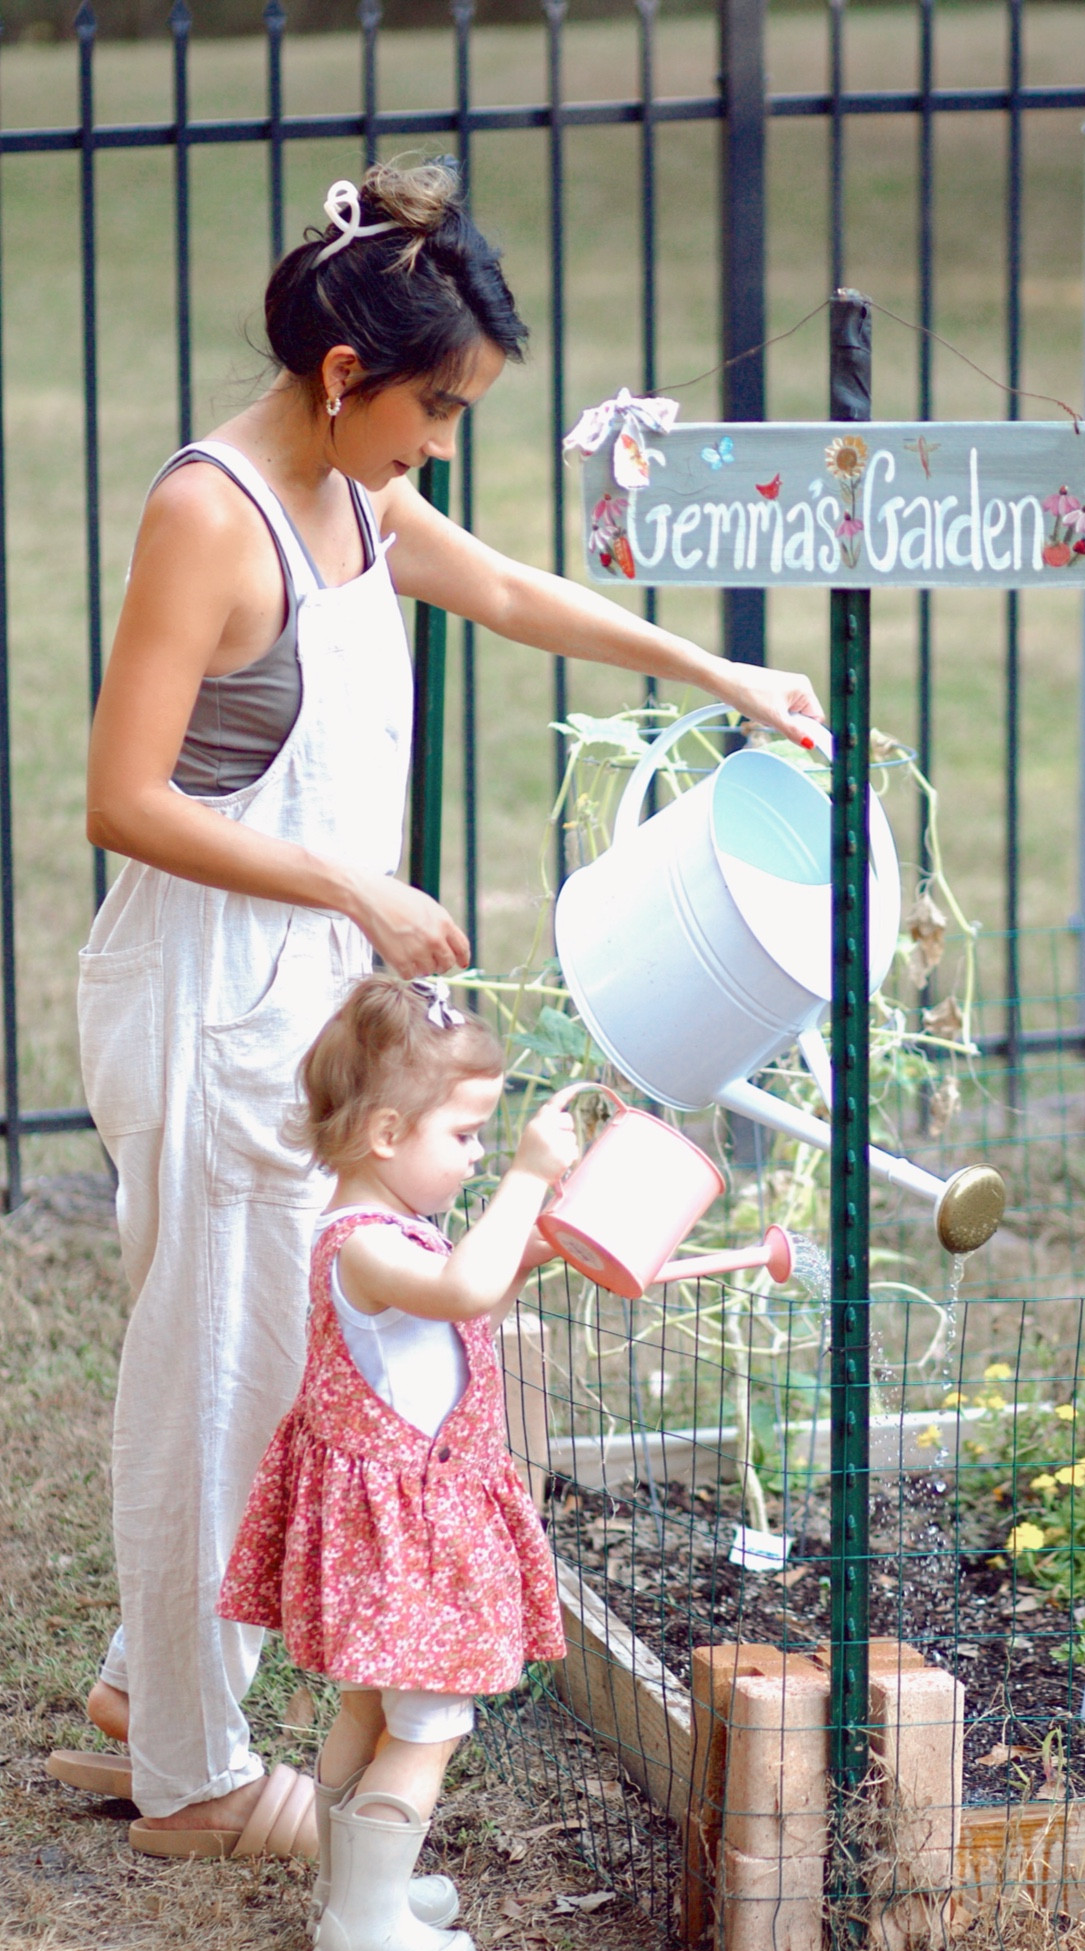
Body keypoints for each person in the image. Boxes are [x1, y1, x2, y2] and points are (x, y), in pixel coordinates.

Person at [47, 156, 823, 1851]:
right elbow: (118, 795)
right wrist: (348, 884)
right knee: (217, 1375)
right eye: (434, 406)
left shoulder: (359, 500)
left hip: (305, 1000)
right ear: (343, 376)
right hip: (204, 1002)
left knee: (292, 1358)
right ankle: (185, 1775)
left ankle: (142, 1682)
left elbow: (514, 593)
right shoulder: (212, 512)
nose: (441, 441)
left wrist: (716, 673)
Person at [213, 975, 575, 1951]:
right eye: (463, 1138)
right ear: (384, 1132)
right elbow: (463, 1287)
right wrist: (531, 1178)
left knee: (368, 1714)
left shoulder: (389, 1236)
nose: (475, 1158)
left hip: (385, 1532)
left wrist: (535, 1244)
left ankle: (356, 1892)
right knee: (429, 1720)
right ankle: (362, 1932)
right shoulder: (367, 1245)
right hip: (408, 1540)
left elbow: (468, 1295)